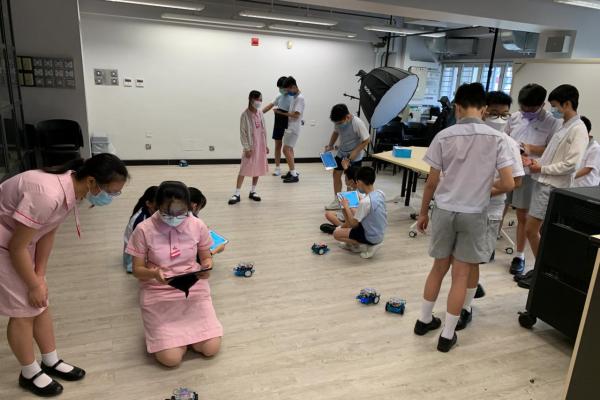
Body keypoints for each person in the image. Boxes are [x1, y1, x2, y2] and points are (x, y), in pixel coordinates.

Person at [0, 153, 129, 397]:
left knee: (40, 303)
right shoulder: (48, 195)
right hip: (8, 244)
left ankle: (50, 360)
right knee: (22, 311)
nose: (111, 197)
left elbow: (48, 231)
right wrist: (33, 284)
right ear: (92, 181)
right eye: (111, 192)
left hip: (20, 241)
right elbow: (16, 247)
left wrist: (40, 275)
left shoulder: (72, 187)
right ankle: (29, 372)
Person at [414, 83, 514, 353]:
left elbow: (431, 183)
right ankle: (447, 336)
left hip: (444, 210)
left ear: (457, 107)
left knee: (438, 268)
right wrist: (482, 189)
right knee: (461, 275)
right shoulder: (497, 139)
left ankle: (423, 321)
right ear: (484, 110)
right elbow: (508, 183)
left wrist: (422, 213)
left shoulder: (444, 136)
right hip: (474, 213)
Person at [127, 181, 222, 367]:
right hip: (158, 290)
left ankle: (183, 337)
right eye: (167, 212)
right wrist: (154, 274)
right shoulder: (144, 229)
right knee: (171, 359)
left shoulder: (197, 225)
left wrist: (207, 268)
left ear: (189, 206)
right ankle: (171, 337)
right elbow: (137, 270)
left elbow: (206, 257)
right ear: (156, 206)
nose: (174, 217)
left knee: (211, 348)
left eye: (180, 212)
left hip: (193, 288)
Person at [456, 91, 525, 331]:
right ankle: (470, 290)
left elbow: (516, 181)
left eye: (504, 114)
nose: (499, 118)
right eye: (494, 113)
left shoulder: (508, 143)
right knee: (461, 259)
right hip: (462, 206)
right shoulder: (468, 137)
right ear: (483, 111)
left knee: (471, 261)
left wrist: (483, 191)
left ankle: (466, 308)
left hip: (488, 210)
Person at [519, 85, 589, 289]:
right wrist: (535, 163)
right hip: (544, 182)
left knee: (532, 230)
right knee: (535, 230)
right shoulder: (564, 125)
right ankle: (541, 268)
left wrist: (542, 168)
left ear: (567, 104)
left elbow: (571, 165)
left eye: (555, 106)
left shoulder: (578, 129)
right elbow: (552, 156)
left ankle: (543, 270)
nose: (553, 110)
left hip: (552, 186)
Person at [504, 84, 561, 275]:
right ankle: (488, 247)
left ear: (542, 105)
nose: (526, 111)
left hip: (530, 174)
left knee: (523, 216)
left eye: (531, 109)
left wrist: (530, 149)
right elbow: (504, 139)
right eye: (523, 107)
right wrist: (514, 152)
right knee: (499, 208)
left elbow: (552, 150)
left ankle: (519, 256)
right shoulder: (514, 117)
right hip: (508, 169)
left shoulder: (552, 122)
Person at [333, 166, 387, 259]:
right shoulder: (380, 193)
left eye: (357, 182)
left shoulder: (365, 202)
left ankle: (366, 245)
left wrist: (346, 206)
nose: (356, 184)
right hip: (380, 233)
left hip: (371, 237)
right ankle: (353, 242)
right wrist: (358, 201)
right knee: (353, 210)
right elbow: (372, 208)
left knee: (336, 234)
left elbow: (353, 224)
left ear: (360, 182)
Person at [324, 104, 370, 210]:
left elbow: (367, 140)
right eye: (336, 123)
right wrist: (330, 145)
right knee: (336, 174)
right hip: (342, 152)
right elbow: (335, 132)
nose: (338, 125)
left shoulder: (357, 123)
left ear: (347, 117)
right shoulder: (338, 121)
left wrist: (355, 152)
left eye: (340, 122)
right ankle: (337, 200)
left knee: (350, 180)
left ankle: (350, 204)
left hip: (355, 156)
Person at [229, 90, 269, 205]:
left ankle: (253, 191)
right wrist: (247, 148)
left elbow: (263, 130)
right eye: (258, 99)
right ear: (251, 99)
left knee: (258, 167)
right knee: (243, 169)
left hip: (261, 145)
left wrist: (266, 145)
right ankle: (237, 193)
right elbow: (243, 133)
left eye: (261, 100)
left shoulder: (260, 113)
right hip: (251, 147)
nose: (260, 102)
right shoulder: (245, 115)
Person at [123, 186, 158, 273]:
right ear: (148, 203)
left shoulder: (150, 212)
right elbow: (141, 245)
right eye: (157, 208)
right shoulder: (140, 220)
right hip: (135, 255)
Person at [263, 76, 292, 176]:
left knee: (289, 147)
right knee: (278, 146)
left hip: (289, 122)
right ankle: (277, 168)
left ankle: (292, 169)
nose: (280, 89)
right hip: (279, 121)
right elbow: (270, 106)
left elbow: (295, 112)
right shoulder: (279, 95)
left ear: (286, 86)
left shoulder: (293, 97)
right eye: (279, 88)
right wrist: (259, 114)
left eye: (281, 87)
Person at [279, 76, 305, 183]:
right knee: (289, 149)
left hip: (293, 128)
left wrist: (281, 113)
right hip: (291, 126)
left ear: (293, 87)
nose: (287, 92)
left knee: (285, 150)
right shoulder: (295, 97)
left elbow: (296, 115)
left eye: (288, 89)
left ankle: (294, 175)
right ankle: (292, 171)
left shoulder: (300, 98)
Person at [320, 166, 360, 234]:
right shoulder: (353, 189)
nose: (345, 180)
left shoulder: (358, 194)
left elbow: (354, 213)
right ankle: (342, 226)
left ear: (351, 181)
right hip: (348, 216)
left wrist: (345, 207)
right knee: (328, 214)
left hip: (353, 217)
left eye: (346, 178)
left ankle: (342, 228)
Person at [573, 116, 600, 188]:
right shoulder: (577, 144)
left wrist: (570, 177)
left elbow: (587, 169)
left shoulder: (595, 148)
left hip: (587, 187)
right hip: (574, 185)